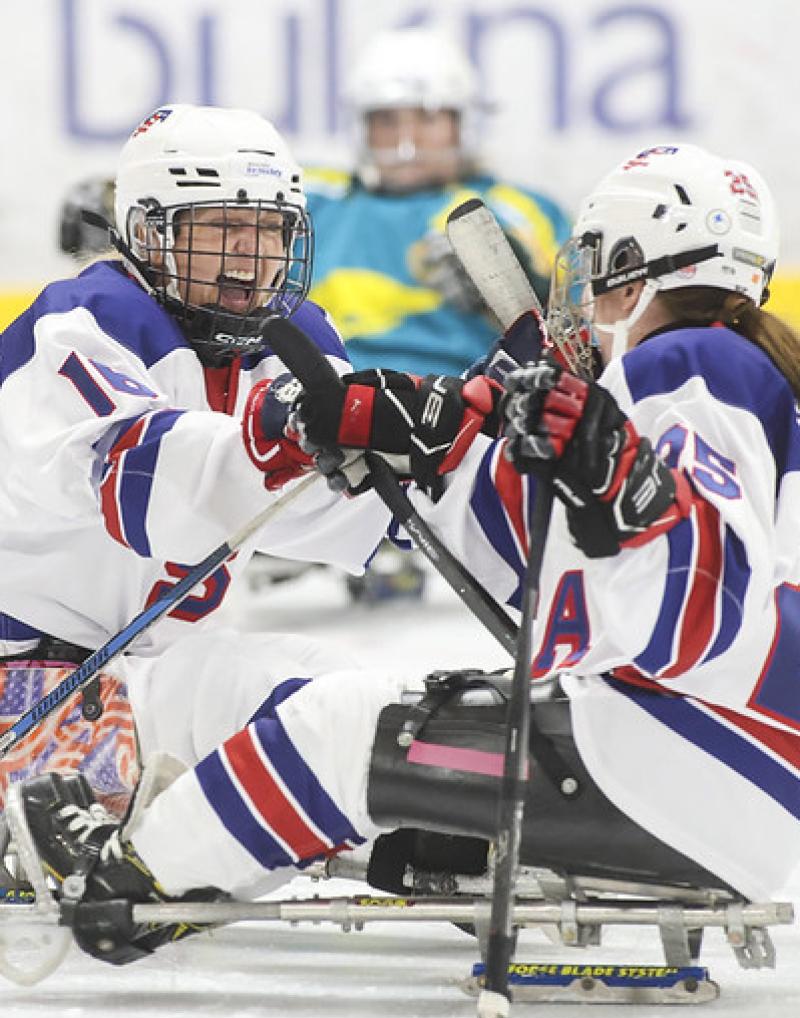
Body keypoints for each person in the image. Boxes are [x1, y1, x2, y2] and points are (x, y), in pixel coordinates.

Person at [14, 141, 800, 969]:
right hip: (720, 766)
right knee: (340, 697)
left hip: (689, 760)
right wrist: (436, 436)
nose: (587, 294)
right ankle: (467, 846)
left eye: (599, 266)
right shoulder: (744, 376)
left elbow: (697, 601)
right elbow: (540, 550)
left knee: (339, 726)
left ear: (636, 272)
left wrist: (617, 487)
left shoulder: (689, 363)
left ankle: (122, 887)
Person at [0, 102, 395, 821]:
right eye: (222, 227)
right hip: (26, 683)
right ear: (151, 232)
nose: (251, 254)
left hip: (148, 675)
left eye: (271, 229)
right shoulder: (84, 320)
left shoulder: (292, 335)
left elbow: (330, 512)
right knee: (187, 795)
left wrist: (459, 446)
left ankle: (434, 841)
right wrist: (276, 440)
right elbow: (142, 487)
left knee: (347, 704)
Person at [306, 26, 571, 381]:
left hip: (473, 409)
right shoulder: (312, 203)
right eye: (387, 120)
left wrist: (529, 297)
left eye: (427, 119)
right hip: (330, 402)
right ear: (362, 128)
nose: (407, 141)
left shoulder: (520, 213)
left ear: (462, 124)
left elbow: (585, 340)